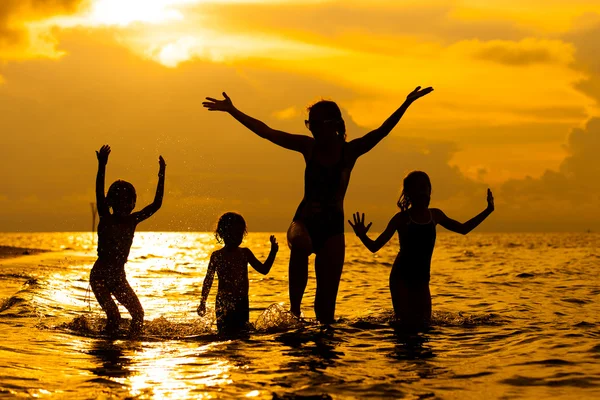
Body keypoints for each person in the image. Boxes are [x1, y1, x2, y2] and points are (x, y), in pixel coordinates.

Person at [202, 86, 433, 323]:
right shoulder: (308, 147)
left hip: (332, 228)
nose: (310, 128)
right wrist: (233, 111)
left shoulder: (349, 151)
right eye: (308, 123)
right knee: (301, 244)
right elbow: (267, 132)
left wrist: (406, 104)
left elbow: (381, 132)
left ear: (332, 124)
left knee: (326, 313)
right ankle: (295, 312)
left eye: (314, 123)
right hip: (303, 221)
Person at [348, 171, 494, 328]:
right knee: (404, 326)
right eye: (419, 189)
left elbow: (464, 228)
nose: (424, 193)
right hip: (401, 278)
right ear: (409, 194)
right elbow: (375, 247)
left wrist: (488, 210)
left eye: (426, 188)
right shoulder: (401, 219)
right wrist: (362, 236)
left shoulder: (435, 215)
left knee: (425, 326)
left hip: (422, 279)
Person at [91, 145, 166, 337]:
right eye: (120, 200)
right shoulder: (106, 217)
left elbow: (156, 205)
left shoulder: (133, 220)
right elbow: (99, 192)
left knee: (138, 314)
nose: (125, 204)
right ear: (111, 203)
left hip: (118, 277)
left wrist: (161, 175)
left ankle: (132, 343)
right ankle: (105, 346)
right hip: (99, 276)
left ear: (133, 203)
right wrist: (102, 166)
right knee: (114, 317)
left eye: (128, 201)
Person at [197, 212, 279, 333]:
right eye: (234, 233)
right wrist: (202, 302)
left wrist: (273, 252)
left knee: (243, 333)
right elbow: (208, 280)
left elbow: (264, 270)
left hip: (242, 302)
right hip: (223, 303)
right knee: (223, 333)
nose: (238, 237)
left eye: (240, 233)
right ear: (223, 234)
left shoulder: (245, 253)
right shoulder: (217, 256)